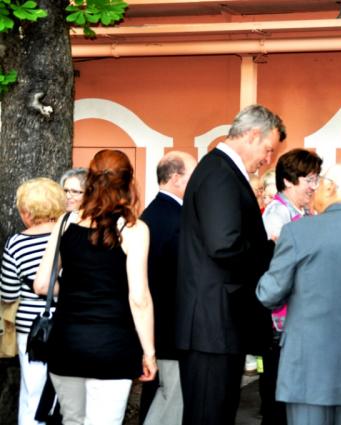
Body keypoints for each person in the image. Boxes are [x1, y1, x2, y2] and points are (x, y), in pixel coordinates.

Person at [256, 161, 341, 425]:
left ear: (330, 188)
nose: (315, 188)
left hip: (308, 366)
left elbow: (269, 293)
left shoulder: (297, 232)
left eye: (319, 183)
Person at [176, 104, 286, 425]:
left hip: (216, 325)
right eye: (268, 149)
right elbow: (224, 246)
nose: (268, 159)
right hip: (213, 326)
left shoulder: (222, 171)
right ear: (252, 135)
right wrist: (270, 249)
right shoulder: (220, 174)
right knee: (209, 416)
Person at [34, 150, 157, 424]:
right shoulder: (134, 229)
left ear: (90, 180)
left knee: (72, 420)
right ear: (128, 183)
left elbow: (41, 284)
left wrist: (75, 289)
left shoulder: (65, 222)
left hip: (66, 343)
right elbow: (139, 299)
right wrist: (149, 353)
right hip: (113, 345)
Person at [260, 147, 322, 425]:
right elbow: (280, 268)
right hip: (281, 322)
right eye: (309, 179)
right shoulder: (277, 214)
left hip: (300, 317)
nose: (314, 186)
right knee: (279, 397)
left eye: (316, 179)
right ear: (288, 180)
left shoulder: (304, 212)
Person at [0, 178, 65, 425]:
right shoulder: (71, 235)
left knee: (33, 393)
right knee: (68, 394)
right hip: (70, 322)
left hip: (33, 329)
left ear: (27, 211)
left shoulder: (16, 243)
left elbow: (8, 293)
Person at [139, 151, 196, 425]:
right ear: (175, 178)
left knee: (157, 398)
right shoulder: (177, 220)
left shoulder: (151, 214)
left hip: (157, 328)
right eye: (192, 176)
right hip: (172, 329)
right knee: (169, 403)